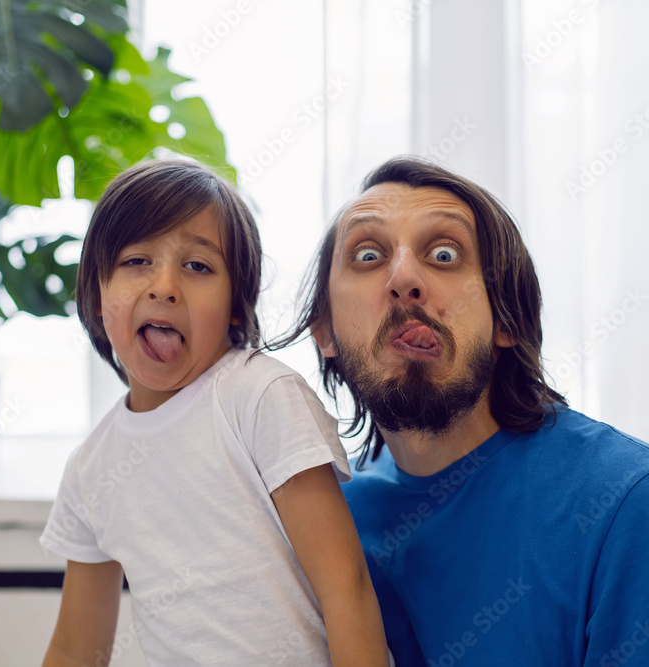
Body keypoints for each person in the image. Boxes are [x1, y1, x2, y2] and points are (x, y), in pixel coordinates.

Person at [281, 156, 649, 665]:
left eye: (444, 253)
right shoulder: (330, 519)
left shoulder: (633, 500)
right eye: (367, 255)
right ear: (324, 330)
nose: (404, 278)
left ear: (506, 320)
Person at [39, 159, 388, 666]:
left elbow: (347, 591)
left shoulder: (261, 397)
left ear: (234, 308)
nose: (164, 286)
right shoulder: (90, 469)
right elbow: (75, 650)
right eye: (137, 261)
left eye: (198, 266)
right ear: (96, 294)